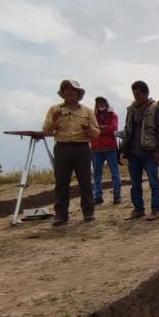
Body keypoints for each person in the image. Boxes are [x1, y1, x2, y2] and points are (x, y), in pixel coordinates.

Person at [42, 79, 100, 226]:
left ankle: (89, 213)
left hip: (82, 149)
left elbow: (96, 133)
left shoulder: (87, 111)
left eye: (72, 89)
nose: (69, 91)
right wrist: (54, 121)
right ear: (62, 93)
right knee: (61, 183)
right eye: (66, 89)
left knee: (85, 182)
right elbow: (46, 131)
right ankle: (61, 216)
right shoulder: (55, 110)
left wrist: (88, 129)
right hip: (62, 148)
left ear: (78, 93)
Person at [119, 80, 159, 220]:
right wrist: (123, 148)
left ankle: (156, 210)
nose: (136, 96)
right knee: (135, 183)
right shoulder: (130, 110)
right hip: (133, 152)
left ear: (145, 93)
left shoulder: (155, 109)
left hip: (149, 152)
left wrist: (158, 150)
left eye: (138, 93)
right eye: (134, 94)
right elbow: (128, 130)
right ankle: (138, 209)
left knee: (153, 181)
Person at [91, 96, 122, 205]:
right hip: (96, 148)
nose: (101, 104)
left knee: (115, 173)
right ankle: (98, 196)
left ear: (106, 103)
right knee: (97, 174)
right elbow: (91, 129)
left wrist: (100, 129)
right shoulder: (92, 116)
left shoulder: (113, 116)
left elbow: (114, 129)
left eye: (103, 102)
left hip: (110, 148)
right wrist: (104, 128)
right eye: (99, 102)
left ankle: (117, 195)